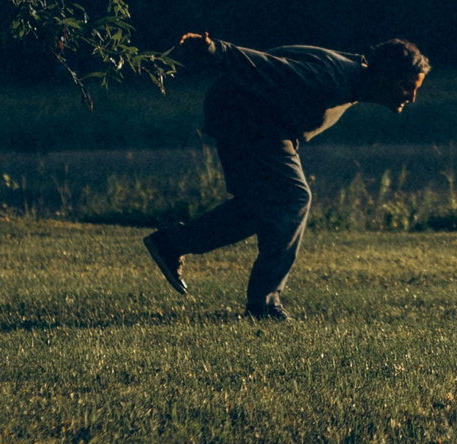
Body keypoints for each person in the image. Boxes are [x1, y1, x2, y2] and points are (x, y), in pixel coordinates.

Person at [142, 31, 430, 320]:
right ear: (384, 77)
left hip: (267, 124)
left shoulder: (354, 82)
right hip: (244, 115)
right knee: (293, 198)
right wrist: (214, 49)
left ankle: (173, 243)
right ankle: (264, 304)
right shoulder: (330, 77)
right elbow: (267, 66)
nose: (412, 97)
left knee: (262, 207)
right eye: (407, 86)